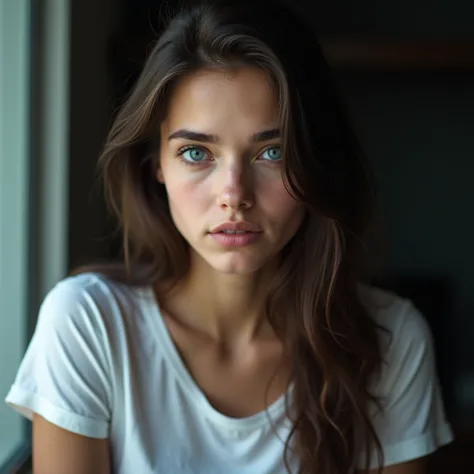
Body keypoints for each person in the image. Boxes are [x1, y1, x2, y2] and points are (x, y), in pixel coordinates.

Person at [5, 1, 453, 473]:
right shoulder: (89, 325)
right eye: (196, 151)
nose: (234, 195)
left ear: (315, 161)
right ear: (157, 162)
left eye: (273, 151)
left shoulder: (388, 341)